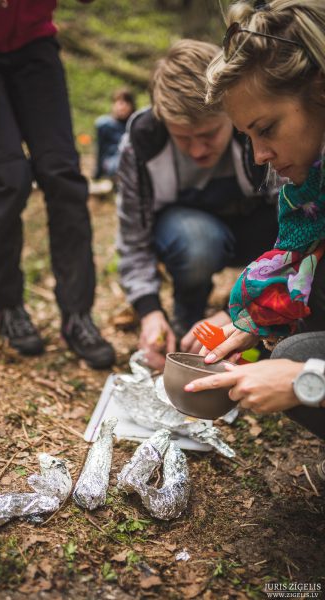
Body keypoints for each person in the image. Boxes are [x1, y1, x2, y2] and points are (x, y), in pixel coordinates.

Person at [0, 0, 116, 369]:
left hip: (33, 39)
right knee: (7, 178)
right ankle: (7, 305)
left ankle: (78, 316)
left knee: (63, 176)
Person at [185, 0, 325, 453]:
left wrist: (309, 380)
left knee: (295, 359)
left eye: (267, 128)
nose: (261, 154)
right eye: (248, 137)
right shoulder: (310, 194)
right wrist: (254, 320)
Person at [116, 39, 278, 371]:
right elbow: (133, 238)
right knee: (197, 239)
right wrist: (148, 311)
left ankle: (268, 326)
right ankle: (186, 315)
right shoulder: (141, 145)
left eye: (207, 135)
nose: (198, 150)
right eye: (183, 138)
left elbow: (300, 224)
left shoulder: (256, 126)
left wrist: (246, 309)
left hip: (258, 231)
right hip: (187, 234)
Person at [94, 87, 136, 181]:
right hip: (112, 162)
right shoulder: (104, 124)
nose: (122, 107)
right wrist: (97, 173)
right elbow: (100, 149)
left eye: (126, 103)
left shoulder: (136, 124)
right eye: (119, 103)